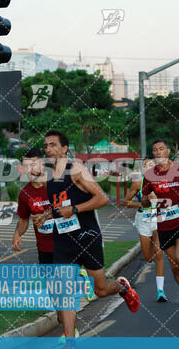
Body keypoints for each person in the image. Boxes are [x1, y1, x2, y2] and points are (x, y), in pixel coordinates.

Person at [34, 130, 140, 338]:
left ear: (65, 149)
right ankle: (70, 343)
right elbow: (60, 204)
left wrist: (74, 210)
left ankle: (121, 288)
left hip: (87, 236)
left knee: (100, 290)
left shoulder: (76, 170)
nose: (48, 149)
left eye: (53, 145)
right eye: (46, 146)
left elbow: (101, 199)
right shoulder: (50, 176)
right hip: (63, 240)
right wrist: (46, 215)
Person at [141, 139, 179, 316]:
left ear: (168, 152)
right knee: (175, 267)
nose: (158, 152)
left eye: (162, 149)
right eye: (155, 150)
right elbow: (144, 197)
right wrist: (147, 200)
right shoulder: (150, 175)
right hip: (164, 223)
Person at [125, 159, 167, 302]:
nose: (149, 168)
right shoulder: (138, 184)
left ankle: (160, 291)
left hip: (157, 218)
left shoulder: (163, 182)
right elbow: (127, 202)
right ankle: (150, 259)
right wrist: (141, 202)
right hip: (143, 219)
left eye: (152, 165)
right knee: (148, 257)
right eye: (146, 166)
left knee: (159, 254)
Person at [13, 148, 54, 264]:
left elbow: (67, 208)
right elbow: (24, 219)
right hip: (44, 248)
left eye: (32, 165)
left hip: (64, 245)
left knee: (66, 280)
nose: (29, 170)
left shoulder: (55, 185)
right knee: (48, 281)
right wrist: (17, 234)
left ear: (42, 164)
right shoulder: (24, 193)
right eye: (25, 166)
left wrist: (46, 216)